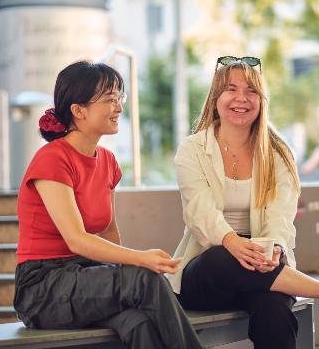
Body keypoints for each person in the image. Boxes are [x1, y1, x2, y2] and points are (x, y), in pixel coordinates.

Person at [168, 55, 319, 349]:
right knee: (222, 257)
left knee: (274, 308)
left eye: (251, 91)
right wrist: (233, 242)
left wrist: (276, 248)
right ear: (215, 98)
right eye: (231, 89)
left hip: (263, 262)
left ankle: (291, 278)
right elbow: (199, 213)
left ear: (262, 100)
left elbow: (281, 216)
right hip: (208, 269)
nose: (241, 98)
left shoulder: (278, 152)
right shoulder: (192, 149)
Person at [13, 61, 203, 349]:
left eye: (119, 97)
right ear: (78, 111)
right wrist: (140, 260)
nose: (118, 107)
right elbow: (76, 240)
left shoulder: (108, 162)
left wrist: (126, 266)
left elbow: (109, 232)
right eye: (109, 99)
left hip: (86, 278)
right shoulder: (53, 159)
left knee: (137, 323)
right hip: (43, 287)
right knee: (145, 279)